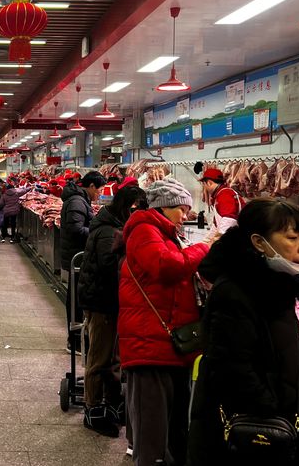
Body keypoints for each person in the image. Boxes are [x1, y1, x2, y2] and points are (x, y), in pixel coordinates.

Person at [188, 198, 299, 466]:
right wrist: (272, 412)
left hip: (273, 425)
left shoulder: (278, 287)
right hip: (249, 433)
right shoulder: (235, 291)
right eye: (293, 238)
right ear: (259, 242)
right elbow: (231, 368)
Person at [118, 177, 209, 466]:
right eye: (181, 209)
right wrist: (205, 247)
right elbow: (166, 266)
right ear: (165, 206)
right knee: (152, 428)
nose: (185, 216)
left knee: (164, 424)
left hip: (164, 343)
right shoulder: (145, 230)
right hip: (150, 342)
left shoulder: (163, 231)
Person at [78, 186, 147, 438]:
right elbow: (111, 267)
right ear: (125, 206)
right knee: (99, 358)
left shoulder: (113, 223)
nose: (137, 212)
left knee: (113, 359)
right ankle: (92, 410)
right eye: (135, 208)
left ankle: (110, 404)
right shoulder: (109, 230)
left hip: (110, 302)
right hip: (101, 302)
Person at [59, 171, 107, 272]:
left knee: (76, 285)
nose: (101, 194)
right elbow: (76, 229)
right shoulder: (77, 202)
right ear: (92, 186)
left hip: (76, 252)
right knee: (77, 285)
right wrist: (97, 232)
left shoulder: (81, 199)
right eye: (101, 190)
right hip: (76, 254)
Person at [199, 168, 244, 235]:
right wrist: (206, 242)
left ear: (209, 183)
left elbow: (229, 220)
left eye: (204, 184)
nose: (204, 187)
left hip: (233, 239)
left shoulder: (225, 194)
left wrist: (220, 240)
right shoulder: (220, 194)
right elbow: (216, 224)